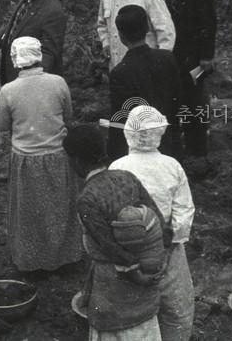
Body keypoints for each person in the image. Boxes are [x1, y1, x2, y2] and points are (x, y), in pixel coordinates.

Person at [64, 124, 167, 341]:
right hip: (146, 269)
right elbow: (157, 218)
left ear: (76, 161)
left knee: (117, 330)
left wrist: (133, 272)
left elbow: (107, 245)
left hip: (114, 279)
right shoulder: (127, 177)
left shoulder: (87, 199)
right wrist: (153, 259)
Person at [0, 37, 82, 274]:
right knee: (60, 208)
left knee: (30, 214)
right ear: (39, 56)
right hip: (58, 156)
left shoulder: (8, 91)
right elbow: (67, 115)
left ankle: (32, 261)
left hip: (26, 160)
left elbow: (1, 126)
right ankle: (65, 257)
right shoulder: (58, 83)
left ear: (15, 60)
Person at [111, 107, 196, 341]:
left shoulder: (117, 167)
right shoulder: (172, 166)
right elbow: (184, 210)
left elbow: (111, 214)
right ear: (160, 133)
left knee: (133, 309)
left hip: (129, 252)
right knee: (177, 310)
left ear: (129, 133)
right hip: (168, 248)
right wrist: (171, 241)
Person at [161, 0, 217, 174]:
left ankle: (198, 154)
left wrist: (206, 56)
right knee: (173, 103)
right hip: (173, 57)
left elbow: (209, 23)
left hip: (195, 58)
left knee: (195, 103)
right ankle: (176, 154)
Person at [106, 5, 180, 162]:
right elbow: (178, 99)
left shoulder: (120, 73)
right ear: (147, 29)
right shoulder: (167, 58)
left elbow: (120, 118)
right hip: (169, 139)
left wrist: (114, 154)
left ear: (121, 36)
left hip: (140, 145)